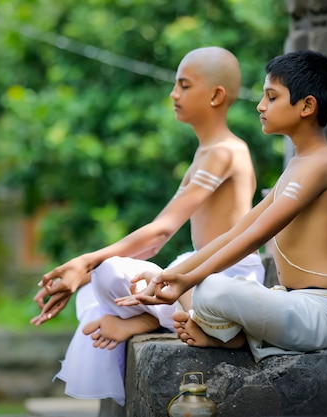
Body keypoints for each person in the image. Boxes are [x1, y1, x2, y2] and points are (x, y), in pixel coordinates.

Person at [31, 46, 265, 406]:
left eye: (184, 86)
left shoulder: (226, 151)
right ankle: (150, 320)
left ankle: (145, 321)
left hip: (223, 280)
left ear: (216, 95)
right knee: (102, 281)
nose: (173, 94)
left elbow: (160, 233)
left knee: (104, 272)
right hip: (191, 274)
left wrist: (86, 262)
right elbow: (155, 240)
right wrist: (88, 270)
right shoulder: (207, 151)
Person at [117, 50, 327, 362]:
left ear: (307, 106)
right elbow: (239, 230)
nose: (260, 106)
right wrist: (173, 274)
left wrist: (189, 279)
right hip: (290, 304)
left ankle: (234, 337)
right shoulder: (298, 167)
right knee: (205, 287)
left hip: (320, 315)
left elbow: (257, 234)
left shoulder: (321, 165)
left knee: (211, 289)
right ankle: (235, 337)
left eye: (272, 97)